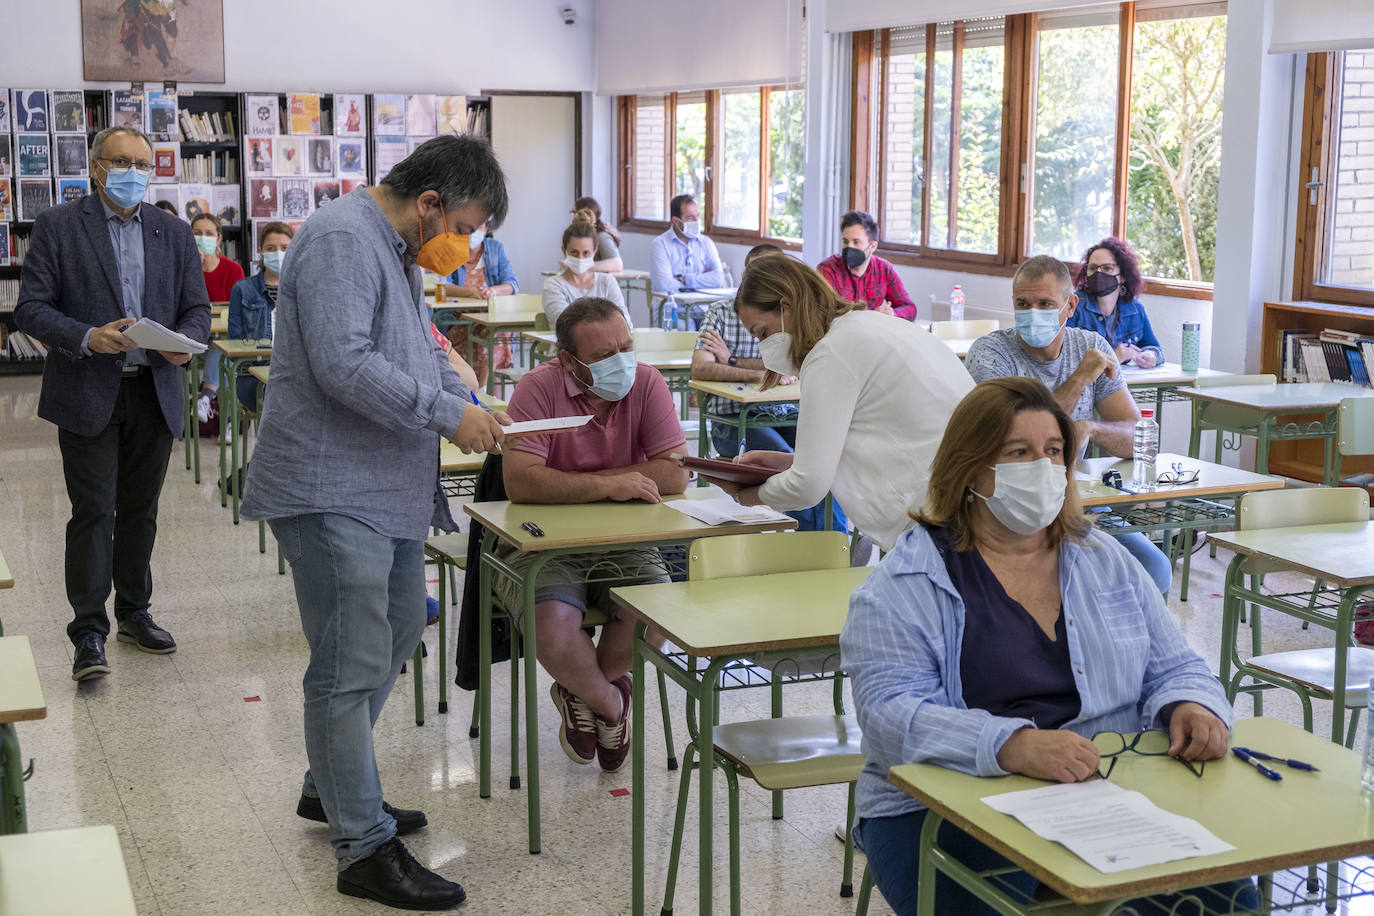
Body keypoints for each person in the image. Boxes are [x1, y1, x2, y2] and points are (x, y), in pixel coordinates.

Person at [840, 377, 1255, 916]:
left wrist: (1192, 704)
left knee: (1228, 895)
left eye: (1054, 451)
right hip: (942, 801)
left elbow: (1175, 665)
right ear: (971, 469)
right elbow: (892, 717)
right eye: (1019, 453)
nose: (1044, 467)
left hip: (1100, 788)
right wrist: (1008, 745)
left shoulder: (1103, 559)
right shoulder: (906, 582)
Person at [240, 135, 510, 911]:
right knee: (346, 662)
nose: (467, 244)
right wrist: (442, 412)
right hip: (331, 487)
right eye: (467, 224)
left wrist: (467, 402)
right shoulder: (338, 241)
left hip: (382, 487)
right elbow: (344, 364)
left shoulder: (394, 247)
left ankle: (331, 787)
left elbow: (410, 351)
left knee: (395, 627)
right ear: (429, 203)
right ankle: (362, 846)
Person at [13, 125, 210, 681]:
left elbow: (196, 308)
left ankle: (135, 612)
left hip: (154, 390)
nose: (133, 172)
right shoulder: (57, 226)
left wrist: (183, 347)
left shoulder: (171, 231)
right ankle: (88, 632)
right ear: (96, 168)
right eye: (121, 162)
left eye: (143, 164)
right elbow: (30, 308)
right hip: (86, 389)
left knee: (141, 511)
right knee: (94, 511)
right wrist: (86, 336)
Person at [501, 297, 689, 773]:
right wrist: (611, 484)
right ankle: (610, 704)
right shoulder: (537, 388)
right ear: (568, 360)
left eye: (626, 346)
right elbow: (521, 480)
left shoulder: (645, 381)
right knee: (553, 623)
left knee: (655, 610)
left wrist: (588, 483)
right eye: (605, 356)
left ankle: (580, 691)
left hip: (624, 537)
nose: (621, 361)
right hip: (542, 542)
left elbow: (674, 473)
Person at [712, 255, 973, 552]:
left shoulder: (830, 354)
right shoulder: (869, 326)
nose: (764, 345)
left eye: (762, 332)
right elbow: (872, 433)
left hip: (935, 515)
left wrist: (748, 495)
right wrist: (794, 463)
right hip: (964, 497)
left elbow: (808, 487)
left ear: (786, 306)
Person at [964, 255, 1173, 594]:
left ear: (1070, 305)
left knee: (1153, 569)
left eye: (1045, 303)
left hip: (1077, 500)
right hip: (1010, 504)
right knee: (1059, 579)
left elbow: (1137, 436)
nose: (1033, 312)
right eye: (1023, 304)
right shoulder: (990, 355)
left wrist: (1091, 429)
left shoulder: (1090, 347)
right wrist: (1078, 380)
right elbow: (1021, 436)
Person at [692, 244, 844, 532]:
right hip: (734, 417)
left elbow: (790, 367)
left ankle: (835, 538)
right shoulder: (722, 313)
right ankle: (822, 543)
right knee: (792, 463)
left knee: (826, 457)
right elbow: (701, 367)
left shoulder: (805, 327)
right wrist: (759, 373)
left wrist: (732, 360)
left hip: (782, 411)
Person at [440, 220, 518, 387]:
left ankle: (484, 387)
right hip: (458, 319)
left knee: (497, 331)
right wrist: (471, 292)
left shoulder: (495, 248)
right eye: (471, 224)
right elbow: (442, 285)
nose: (474, 230)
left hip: (490, 315)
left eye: (480, 225)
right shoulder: (451, 247)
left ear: (487, 227)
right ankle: (479, 387)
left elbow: (512, 283)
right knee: (485, 333)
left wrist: (493, 291)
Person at [225, 221, 293, 413]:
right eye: (271, 248)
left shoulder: (302, 289)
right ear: (261, 251)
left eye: (284, 248)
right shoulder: (243, 289)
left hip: (292, 374)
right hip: (253, 374)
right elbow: (235, 340)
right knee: (281, 401)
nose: (278, 253)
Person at [1068, 237, 1163, 368]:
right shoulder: (1074, 305)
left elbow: (1154, 347)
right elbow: (1064, 358)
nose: (1098, 273)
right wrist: (1113, 357)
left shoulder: (1135, 309)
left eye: (1107, 268)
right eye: (1093, 268)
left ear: (1123, 275)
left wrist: (1151, 356)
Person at [191, 213, 246, 419]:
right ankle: (214, 409)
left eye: (208, 233)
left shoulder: (233, 269)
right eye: (197, 233)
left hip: (223, 340)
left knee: (221, 349)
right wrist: (194, 269)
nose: (202, 237)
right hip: (195, 339)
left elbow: (235, 311)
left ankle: (205, 398)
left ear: (219, 238)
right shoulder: (186, 269)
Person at [816, 210, 917, 320]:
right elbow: (822, 312)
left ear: (873, 246)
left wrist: (891, 313)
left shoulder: (884, 269)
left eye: (856, 242)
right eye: (845, 241)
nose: (849, 247)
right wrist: (872, 314)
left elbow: (910, 308)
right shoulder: (827, 269)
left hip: (872, 333)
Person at [542, 209, 630, 328]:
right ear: (564, 251)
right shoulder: (553, 285)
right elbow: (565, 326)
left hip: (606, 345)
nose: (580, 258)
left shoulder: (607, 282)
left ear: (594, 251)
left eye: (586, 253)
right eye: (574, 252)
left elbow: (624, 323)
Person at [650, 194, 724, 326]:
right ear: (676, 220)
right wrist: (702, 280)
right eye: (690, 217)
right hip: (673, 310)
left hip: (703, 308)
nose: (696, 221)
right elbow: (664, 285)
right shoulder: (660, 245)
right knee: (687, 330)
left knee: (717, 332)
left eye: (698, 216)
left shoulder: (706, 243)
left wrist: (687, 280)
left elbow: (718, 279)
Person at [573, 195, 623, 273]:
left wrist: (582, 266)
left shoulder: (602, 237)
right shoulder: (582, 237)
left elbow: (617, 265)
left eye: (574, 213)